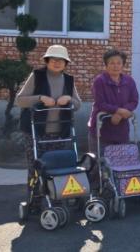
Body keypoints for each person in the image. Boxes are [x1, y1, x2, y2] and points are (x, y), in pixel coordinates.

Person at [16, 45, 82, 180]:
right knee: (36, 169)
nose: (57, 63)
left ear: (65, 63)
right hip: (35, 132)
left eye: (61, 60)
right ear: (47, 61)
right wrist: (40, 98)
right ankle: (35, 194)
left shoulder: (68, 79)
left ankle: (55, 194)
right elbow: (20, 100)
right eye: (53, 59)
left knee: (58, 168)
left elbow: (78, 105)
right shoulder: (37, 76)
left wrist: (69, 98)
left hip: (60, 134)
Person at [87, 49, 139, 154]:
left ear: (123, 65)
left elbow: (134, 101)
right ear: (106, 65)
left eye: (119, 63)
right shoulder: (99, 81)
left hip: (121, 130)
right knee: (100, 161)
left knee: (121, 160)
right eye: (112, 63)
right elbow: (100, 103)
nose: (115, 66)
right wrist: (118, 110)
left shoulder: (129, 81)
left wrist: (121, 113)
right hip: (102, 129)